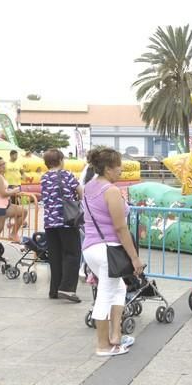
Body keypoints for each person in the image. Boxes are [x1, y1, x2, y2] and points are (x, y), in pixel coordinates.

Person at [82, 148, 144, 357]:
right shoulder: (111, 191)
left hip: (91, 248)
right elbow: (120, 228)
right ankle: (103, 345)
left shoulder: (88, 187)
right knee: (105, 296)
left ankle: (115, 336)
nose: (121, 171)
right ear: (108, 168)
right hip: (106, 249)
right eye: (119, 167)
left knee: (118, 289)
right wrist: (135, 258)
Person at [41, 149, 84, 302]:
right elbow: (81, 192)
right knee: (72, 254)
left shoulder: (44, 178)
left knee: (55, 256)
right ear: (60, 160)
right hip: (67, 220)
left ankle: (54, 289)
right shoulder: (67, 175)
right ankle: (67, 288)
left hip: (49, 222)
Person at [0, 156, 26, 242]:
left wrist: (10, 190)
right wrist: (14, 191)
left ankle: (13, 233)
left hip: (2, 205)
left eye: (4, 163)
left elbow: (1, 190)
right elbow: (3, 193)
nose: (4, 166)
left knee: (23, 211)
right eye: (1, 164)